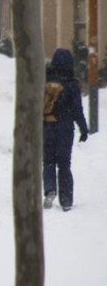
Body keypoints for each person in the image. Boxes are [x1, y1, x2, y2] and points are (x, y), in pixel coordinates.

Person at [42, 48, 89, 212]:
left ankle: (50, 189)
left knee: (48, 162)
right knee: (64, 164)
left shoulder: (44, 80)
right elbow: (77, 109)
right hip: (65, 128)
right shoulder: (71, 83)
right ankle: (66, 200)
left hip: (46, 126)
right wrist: (83, 128)